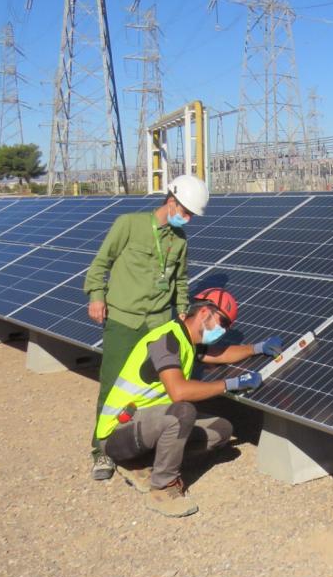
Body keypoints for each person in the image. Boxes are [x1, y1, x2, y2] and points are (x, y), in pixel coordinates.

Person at [95, 287, 283, 517]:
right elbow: (179, 392)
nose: (223, 330)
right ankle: (162, 489)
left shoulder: (186, 340)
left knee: (220, 430)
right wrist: (231, 384)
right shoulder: (165, 340)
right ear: (205, 313)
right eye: (222, 322)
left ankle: (141, 464)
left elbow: (220, 353)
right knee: (182, 412)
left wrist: (257, 348)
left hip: (146, 424)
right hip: (117, 432)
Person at [83, 175, 209, 481]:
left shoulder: (179, 240)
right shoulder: (128, 224)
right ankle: (101, 451)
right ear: (171, 201)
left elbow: (180, 279)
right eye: (186, 211)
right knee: (113, 386)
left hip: (158, 323)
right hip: (124, 321)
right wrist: (97, 296)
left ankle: (144, 440)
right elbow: (102, 263)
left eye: (192, 214)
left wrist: (180, 310)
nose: (188, 218)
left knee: (157, 389)